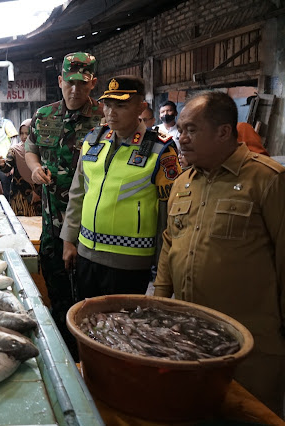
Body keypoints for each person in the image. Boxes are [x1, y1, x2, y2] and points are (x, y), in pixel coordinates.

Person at [154, 91, 285, 417]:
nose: (181, 138)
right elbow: (170, 244)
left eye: (191, 130)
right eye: (180, 129)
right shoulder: (183, 184)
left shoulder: (266, 180)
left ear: (224, 131)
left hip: (252, 346)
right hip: (189, 338)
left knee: (250, 416)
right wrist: (159, 302)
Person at [60, 75, 181, 302]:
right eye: (108, 105)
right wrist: (69, 240)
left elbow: (167, 215)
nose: (111, 113)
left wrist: (162, 269)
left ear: (141, 107)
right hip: (86, 253)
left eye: (121, 106)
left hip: (130, 262)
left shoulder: (160, 149)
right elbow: (77, 194)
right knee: (86, 321)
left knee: (121, 329)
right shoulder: (93, 140)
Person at [24, 52, 103, 346]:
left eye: (82, 84)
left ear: (93, 83)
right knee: (56, 294)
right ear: (60, 81)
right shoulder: (44, 115)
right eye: (69, 82)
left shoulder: (104, 118)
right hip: (51, 224)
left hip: (89, 227)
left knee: (87, 300)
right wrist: (33, 169)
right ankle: (62, 353)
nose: (75, 89)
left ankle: (87, 353)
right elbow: (30, 148)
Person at [0, 119, 41, 216]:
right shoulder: (15, 150)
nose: (24, 136)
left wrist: (39, 192)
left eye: (27, 133)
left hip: (37, 194)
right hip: (19, 195)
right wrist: (2, 164)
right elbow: (7, 168)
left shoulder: (41, 150)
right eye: (22, 133)